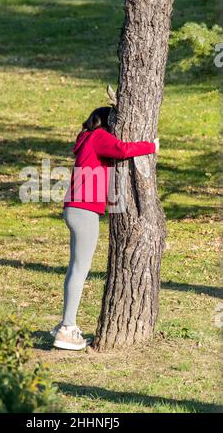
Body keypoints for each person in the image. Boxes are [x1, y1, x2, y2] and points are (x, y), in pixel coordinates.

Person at [51, 107, 159, 350]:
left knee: (75, 268)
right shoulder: (99, 137)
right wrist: (151, 146)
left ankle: (65, 325)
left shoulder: (86, 139)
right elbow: (123, 150)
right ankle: (67, 329)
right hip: (85, 210)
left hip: (75, 208)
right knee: (80, 269)